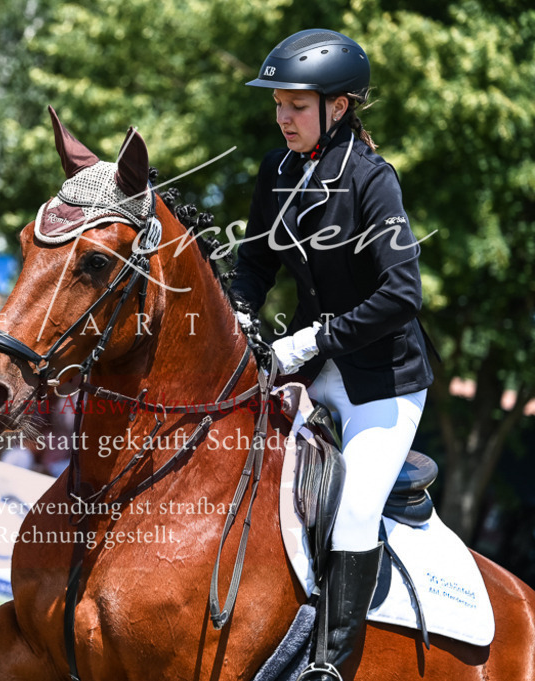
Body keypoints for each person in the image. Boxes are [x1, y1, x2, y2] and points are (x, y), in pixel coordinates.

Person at [230, 29, 433, 680]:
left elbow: (402, 294)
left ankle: (329, 664)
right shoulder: (278, 170)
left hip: (384, 383)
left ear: (337, 107)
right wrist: (239, 309)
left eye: (296, 104)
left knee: (352, 510)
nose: (282, 117)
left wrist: (316, 337)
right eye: (278, 104)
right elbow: (256, 262)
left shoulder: (374, 181)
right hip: (314, 371)